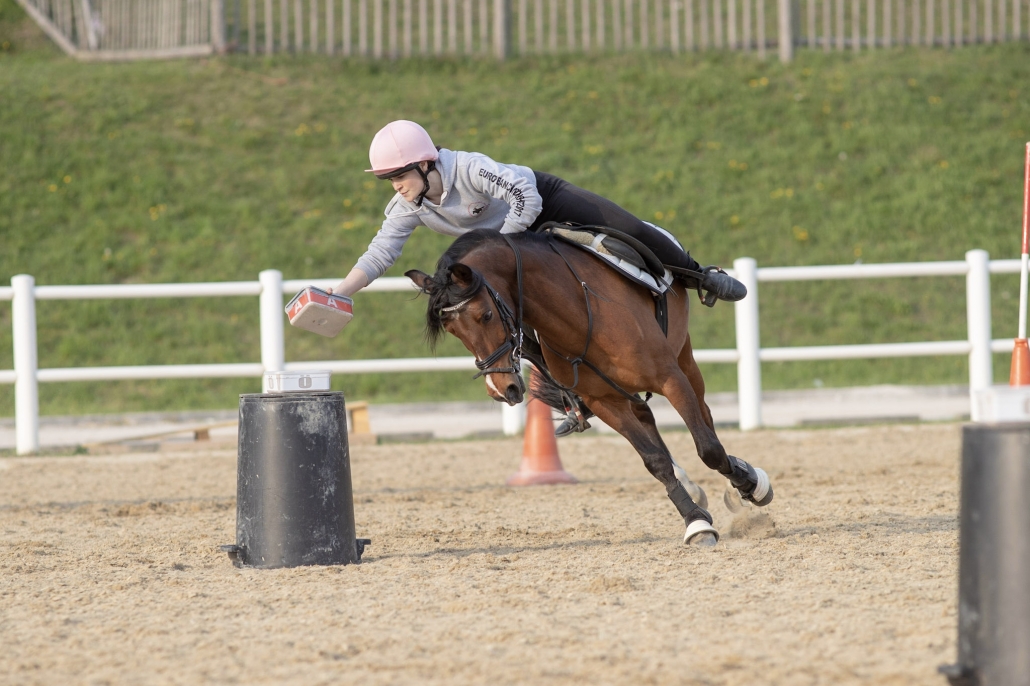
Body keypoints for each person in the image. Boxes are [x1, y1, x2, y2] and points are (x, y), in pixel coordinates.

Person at [330, 120, 746, 436]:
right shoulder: (409, 205)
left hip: (545, 203)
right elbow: (381, 251)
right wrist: (343, 291)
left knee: (629, 227)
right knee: (510, 321)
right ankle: (574, 394)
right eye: (390, 180)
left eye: (399, 176)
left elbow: (525, 197)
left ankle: (700, 276)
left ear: (425, 164)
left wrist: (500, 251)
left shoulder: (469, 169)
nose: (396, 187)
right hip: (508, 247)